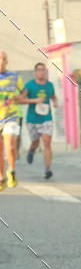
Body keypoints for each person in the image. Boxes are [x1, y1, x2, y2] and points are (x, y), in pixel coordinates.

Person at [19, 62, 58, 179]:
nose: (41, 72)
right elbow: (20, 100)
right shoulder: (29, 85)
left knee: (47, 142)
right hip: (32, 119)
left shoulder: (50, 85)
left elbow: (53, 96)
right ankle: (32, 150)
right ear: (35, 72)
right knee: (36, 142)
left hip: (46, 118)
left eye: (43, 70)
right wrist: (34, 100)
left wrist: (55, 102)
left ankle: (48, 169)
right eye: (39, 70)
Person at [0, 50, 24, 189]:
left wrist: (17, 98)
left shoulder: (15, 76)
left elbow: (24, 92)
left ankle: (12, 170)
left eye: (3, 58)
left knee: (10, 146)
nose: (1, 61)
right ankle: (1, 177)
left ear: (7, 61)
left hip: (11, 116)